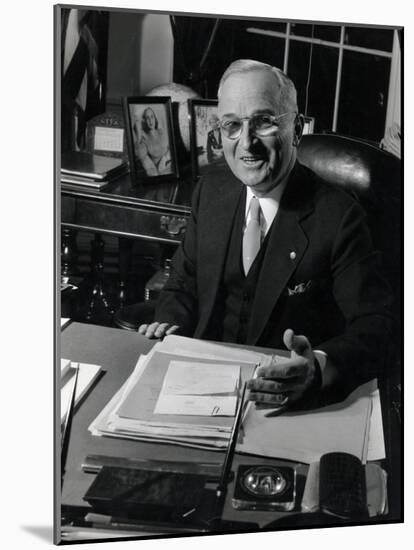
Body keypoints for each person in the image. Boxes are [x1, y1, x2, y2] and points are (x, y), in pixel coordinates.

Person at [138, 59, 394, 407]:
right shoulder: (211, 192)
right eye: (232, 125)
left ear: (297, 130)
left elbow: (378, 326)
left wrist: (317, 366)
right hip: (200, 390)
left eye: (263, 122)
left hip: (287, 400)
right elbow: (183, 282)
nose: (246, 143)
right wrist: (170, 324)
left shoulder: (339, 216)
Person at [134, 107, 171, 176]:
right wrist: (139, 134)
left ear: (155, 118)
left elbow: (171, 148)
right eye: (147, 118)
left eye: (152, 117)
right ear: (144, 120)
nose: (150, 121)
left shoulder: (162, 132)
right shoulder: (144, 138)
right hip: (162, 172)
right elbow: (141, 155)